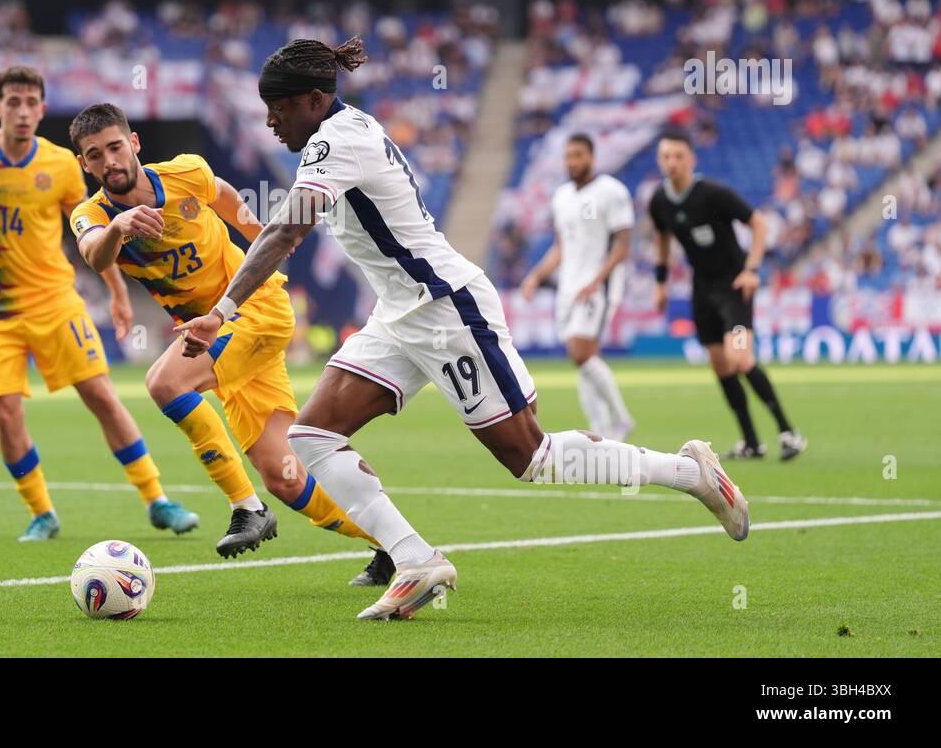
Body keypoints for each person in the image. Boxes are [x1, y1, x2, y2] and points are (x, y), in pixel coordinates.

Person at [176, 37, 750, 622]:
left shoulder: (337, 139)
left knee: (534, 459)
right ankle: (415, 561)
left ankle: (689, 471)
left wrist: (221, 310)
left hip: (447, 309)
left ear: (316, 99)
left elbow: (285, 232)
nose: (269, 121)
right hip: (397, 314)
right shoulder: (336, 134)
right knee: (312, 436)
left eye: (278, 107)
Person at [69, 104, 391, 584]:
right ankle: (391, 542)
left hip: (253, 310)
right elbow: (94, 253)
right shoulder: (91, 214)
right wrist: (119, 226)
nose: (108, 161)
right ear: (85, 165)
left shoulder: (185, 172)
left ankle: (246, 508)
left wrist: (260, 237)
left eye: (115, 147)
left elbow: (219, 192)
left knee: (164, 383)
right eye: (95, 155)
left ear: (133, 143)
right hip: (212, 335)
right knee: (284, 473)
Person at [0, 65, 199, 542]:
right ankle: (42, 512)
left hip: (56, 300)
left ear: (42, 109)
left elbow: (96, 231)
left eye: (31, 102)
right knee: (5, 412)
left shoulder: (62, 164)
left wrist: (119, 296)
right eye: (12, 102)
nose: (22, 111)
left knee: (101, 395)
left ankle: (157, 499)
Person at [650, 130, 806, 461]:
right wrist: (661, 282)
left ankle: (788, 432)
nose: (672, 162)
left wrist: (751, 270)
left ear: (692, 159)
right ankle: (751, 442)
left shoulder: (713, 194)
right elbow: (662, 239)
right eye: (666, 156)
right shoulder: (659, 201)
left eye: (679, 156)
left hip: (734, 286)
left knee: (740, 358)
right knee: (720, 366)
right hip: (702, 290)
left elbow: (759, 224)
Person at [521, 133, 636, 440]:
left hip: (598, 286)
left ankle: (622, 419)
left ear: (592, 157)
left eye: (578, 155)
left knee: (580, 352)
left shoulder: (612, 191)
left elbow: (622, 245)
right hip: (568, 287)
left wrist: (596, 281)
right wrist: (535, 276)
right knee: (583, 362)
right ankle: (602, 431)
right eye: (568, 156)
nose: (572, 161)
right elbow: (561, 247)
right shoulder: (561, 197)